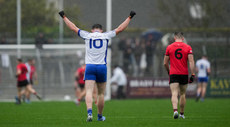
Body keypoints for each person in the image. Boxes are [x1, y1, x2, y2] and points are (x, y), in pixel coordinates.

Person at [59, 10, 136, 122]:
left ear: (92, 30)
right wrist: (130, 17)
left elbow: (73, 27)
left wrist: (64, 16)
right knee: (100, 94)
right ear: (101, 30)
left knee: (89, 91)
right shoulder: (105, 35)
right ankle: (100, 116)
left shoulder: (87, 35)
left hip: (89, 66)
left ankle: (89, 113)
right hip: (101, 67)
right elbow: (120, 28)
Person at [163, 32, 195, 119]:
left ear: (174, 38)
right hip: (184, 74)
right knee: (183, 94)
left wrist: (169, 71)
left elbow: (165, 63)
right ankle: (181, 114)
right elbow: (191, 62)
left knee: (174, 93)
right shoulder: (188, 47)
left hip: (173, 73)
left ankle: (175, 111)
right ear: (183, 38)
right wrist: (193, 74)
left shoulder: (169, 47)